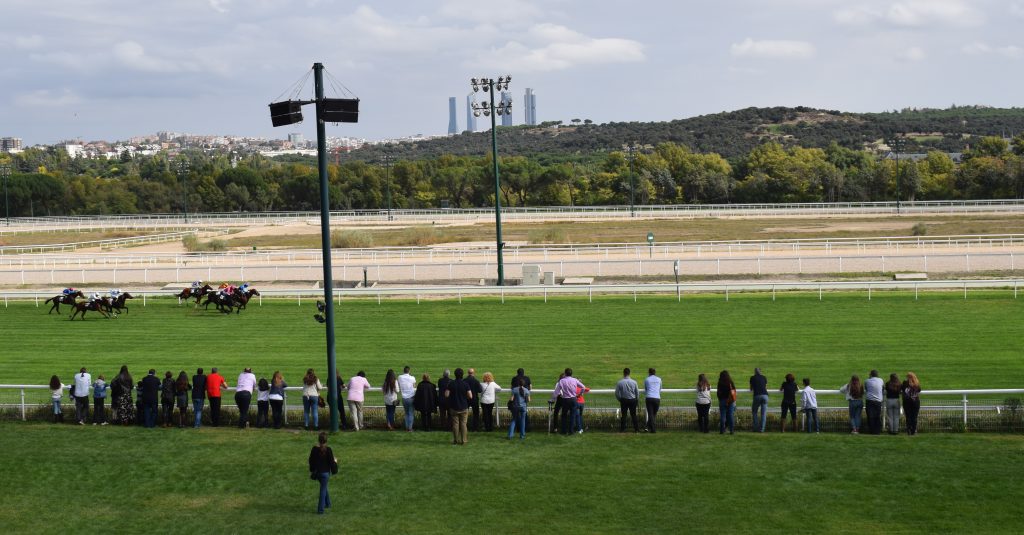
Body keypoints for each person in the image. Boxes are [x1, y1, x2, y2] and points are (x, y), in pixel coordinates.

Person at [308, 432, 338, 515]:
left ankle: (328, 503)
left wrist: (312, 469)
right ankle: (320, 510)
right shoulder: (328, 450)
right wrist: (335, 462)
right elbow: (332, 463)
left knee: (324, 487)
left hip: (317, 473)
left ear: (318, 440)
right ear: (326, 441)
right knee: (323, 490)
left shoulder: (314, 449)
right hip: (325, 474)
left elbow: (310, 461)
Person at [445, 368, 473, 445]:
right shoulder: (465, 384)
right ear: (462, 375)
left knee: (455, 424)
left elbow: (446, 395)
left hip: (454, 407)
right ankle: (464, 441)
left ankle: (455, 440)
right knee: (463, 424)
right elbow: (470, 396)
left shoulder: (451, 383)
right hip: (463, 406)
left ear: (455, 375)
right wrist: (464, 397)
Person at [555, 369, 586, 435]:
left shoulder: (561, 381)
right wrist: (580, 394)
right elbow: (583, 387)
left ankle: (564, 431)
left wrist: (553, 399)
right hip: (573, 399)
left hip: (565, 399)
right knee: (572, 415)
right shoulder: (574, 380)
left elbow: (556, 392)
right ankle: (571, 431)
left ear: (565, 374)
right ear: (571, 374)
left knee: (564, 416)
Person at [615, 368, 639, 433]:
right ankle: (636, 429)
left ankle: (622, 429)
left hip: (624, 400)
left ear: (624, 373)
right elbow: (637, 393)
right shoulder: (634, 382)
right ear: (629, 373)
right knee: (633, 415)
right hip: (632, 400)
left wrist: (620, 399)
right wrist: (637, 400)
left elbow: (616, 393)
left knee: (624, 415)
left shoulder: (620, 382)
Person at [864, 370, 884, 435]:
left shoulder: (867, 381)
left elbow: (866, 389)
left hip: (870, 401)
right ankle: (877, 430)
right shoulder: (881, 380)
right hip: (878, 401)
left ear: (871, 375)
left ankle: (872, 430)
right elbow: (882, 388)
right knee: (877, 416)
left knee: (870, 416)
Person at [398, 366, 417, 432]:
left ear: (404, 371)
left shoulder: (400, 377)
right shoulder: (412, 378)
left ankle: (407, 427)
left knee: (406, 413)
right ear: (409, 371)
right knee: (411, 413)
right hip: (411, 397)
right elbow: (414, 386)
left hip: (404, 398)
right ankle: (410, 428)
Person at [750, 368, 769, 433]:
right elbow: (765, 387)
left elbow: (751, 388)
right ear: (760, 372)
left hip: (757, 395)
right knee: (763, 413)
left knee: (754, 412)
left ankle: (756, 427)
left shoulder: (752, 378)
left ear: (755, 372)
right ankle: (762, 429)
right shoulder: (764, 377)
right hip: (765, 395)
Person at [717, 370, 736, 434]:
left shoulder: (720, 382)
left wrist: (720, 399)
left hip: (722, 400)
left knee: (723, 416)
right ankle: (732, 430)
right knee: (730, 416)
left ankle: (722, 430)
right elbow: (734, 391)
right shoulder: (730, 382)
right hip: (730, 401)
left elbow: (718, 393)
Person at [644, 368, 662, 433]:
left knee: (651, 414)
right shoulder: (659, 379)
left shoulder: (647, 379)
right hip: (657, 398)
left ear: (649, 373)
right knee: (653, 414)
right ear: (655, 372)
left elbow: (646, 389)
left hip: (649, 397)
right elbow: (660, 388)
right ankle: (649, 427)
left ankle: (650, 428)